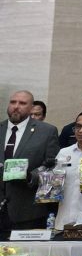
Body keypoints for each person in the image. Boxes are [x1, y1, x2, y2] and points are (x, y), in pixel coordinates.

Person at [0, 89, 60, 234]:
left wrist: (30, 176)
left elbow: (52, 167)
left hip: (28, 211)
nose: (16, 106)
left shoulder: (47, 131)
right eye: (13, 102)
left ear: (31, 107)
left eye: (22, 103)